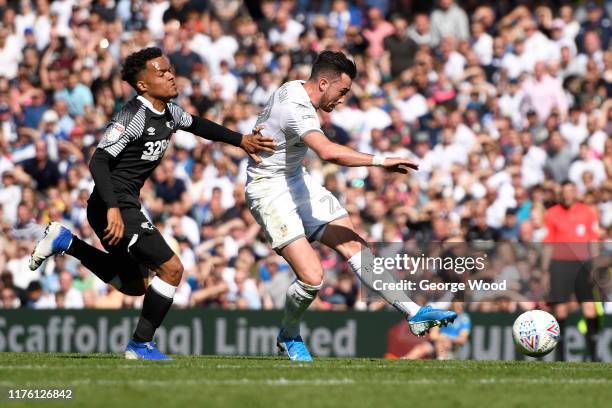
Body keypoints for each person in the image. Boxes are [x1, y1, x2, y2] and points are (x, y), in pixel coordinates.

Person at [28, 47, 274, 360]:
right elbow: (99, 160)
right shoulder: (133, 115)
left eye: (170, 69)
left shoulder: (169, 113)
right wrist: (114, 208)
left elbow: (198, 125)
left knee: (134, 285)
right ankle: (139, 345)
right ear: (143, 85)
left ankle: (67, 242)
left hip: (119, 205)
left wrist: (241, 140)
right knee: (172, 269)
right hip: (112, 204)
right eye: (161, 72)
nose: (171, 75)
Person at [245, 51, 456, 362]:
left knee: (354, 245)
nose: (342, 99)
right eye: (342, 91)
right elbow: (328, 152)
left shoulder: (294, 87)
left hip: (295, 179)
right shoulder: (296, 106)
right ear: (323, 82)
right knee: (312, 277)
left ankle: (414, 312)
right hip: (269, 189)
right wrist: (382, 161)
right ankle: (289, 335)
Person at [542, 180, 600, 361]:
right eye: (564, 191)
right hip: (559, 265)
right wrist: (545, 271)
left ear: (575, 192)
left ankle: (594, 356)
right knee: (560, 311)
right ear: (561, 194)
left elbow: (594, 240)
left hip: (582, 265)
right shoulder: (552, 214)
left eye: (570, 191)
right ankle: (560, 357)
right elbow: (548, 244)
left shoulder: (587, 212)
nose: (567, 195)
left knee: (590, 308)